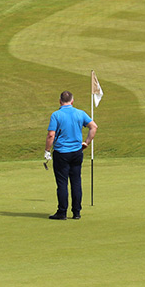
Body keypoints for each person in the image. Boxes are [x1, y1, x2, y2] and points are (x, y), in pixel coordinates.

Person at [44, 91, 98, 220]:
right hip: (76, 152)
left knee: (62, 183)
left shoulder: (56, 115)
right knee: (76, 181)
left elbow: (51, 135)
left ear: (60, 101)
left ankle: (62, 212)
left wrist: (47, 150)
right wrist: (86, 143)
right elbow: (93, 127)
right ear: (72, 101)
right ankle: (76, 212)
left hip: (62, 153)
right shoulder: (80, 113)